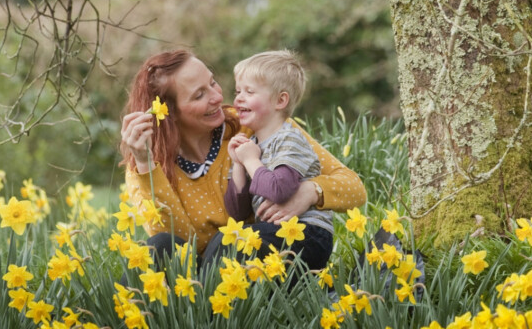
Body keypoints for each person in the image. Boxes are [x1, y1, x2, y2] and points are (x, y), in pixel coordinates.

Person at [119, 49, 365, 273]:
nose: (217, 96)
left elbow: (354, 187)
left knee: (234, 242)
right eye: (199, 95)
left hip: (260, 261)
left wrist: (311, 192)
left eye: (213, 82)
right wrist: (146, 166)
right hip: (206, 273)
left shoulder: (255, 124)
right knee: (157, 247)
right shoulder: (146, 162)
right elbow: (180, 245)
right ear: (170, 113)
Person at [224, 50, 331, 272]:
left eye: (249, 91)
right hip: (274, 232)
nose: (238, 98)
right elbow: (237, 212)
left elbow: (278, 189)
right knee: (231, 242)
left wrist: (251, 160)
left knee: (238, 243)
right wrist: (238, 164)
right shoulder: (251, 145)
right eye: (238, 91)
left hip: (308, 234)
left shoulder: (290, 139)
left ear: (280, 100)